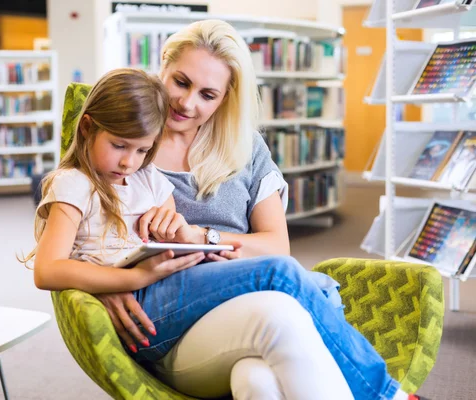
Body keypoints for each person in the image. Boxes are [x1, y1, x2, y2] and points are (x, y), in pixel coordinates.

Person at [90, 20, 426, 400]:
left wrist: (199, 237)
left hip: (249, 309)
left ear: (225, 97)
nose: (187, 103)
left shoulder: (246, 148)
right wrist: (106, 284)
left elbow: (275, 245)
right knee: (287, 300)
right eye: (180, 82)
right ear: (162, 67)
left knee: (259, 381)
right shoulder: (126, 144)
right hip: (172, 330)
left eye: (208, 94)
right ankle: (388, 396)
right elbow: (73, 229)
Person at [25, 66, 354, 398]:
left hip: (172, 283)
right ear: (87, 127)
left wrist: (182, 235)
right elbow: (48, 269)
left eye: (142, 150)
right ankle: (384, 392)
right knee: (287, 275)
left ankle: (318, 295)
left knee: (258, 380)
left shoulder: (147, 177)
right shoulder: (73, 185)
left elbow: (169, 228)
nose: (129, 162)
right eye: (120, 146)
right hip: (149, 302)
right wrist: (133, 279)